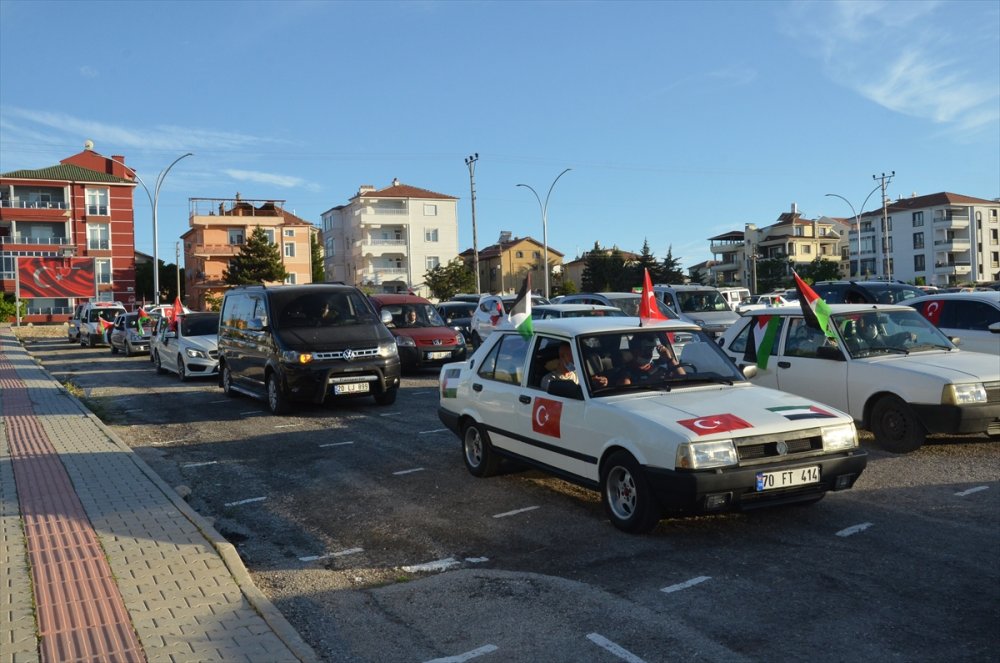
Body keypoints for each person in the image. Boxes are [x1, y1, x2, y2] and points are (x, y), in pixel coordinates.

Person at [618, 334, 686, 385]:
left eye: (651, 349)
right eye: (644, 349)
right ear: (633, 350)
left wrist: (669, 359)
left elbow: (683, 379)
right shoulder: (626, 373)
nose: (649, 353)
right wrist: (651, 381)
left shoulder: (660, 366)